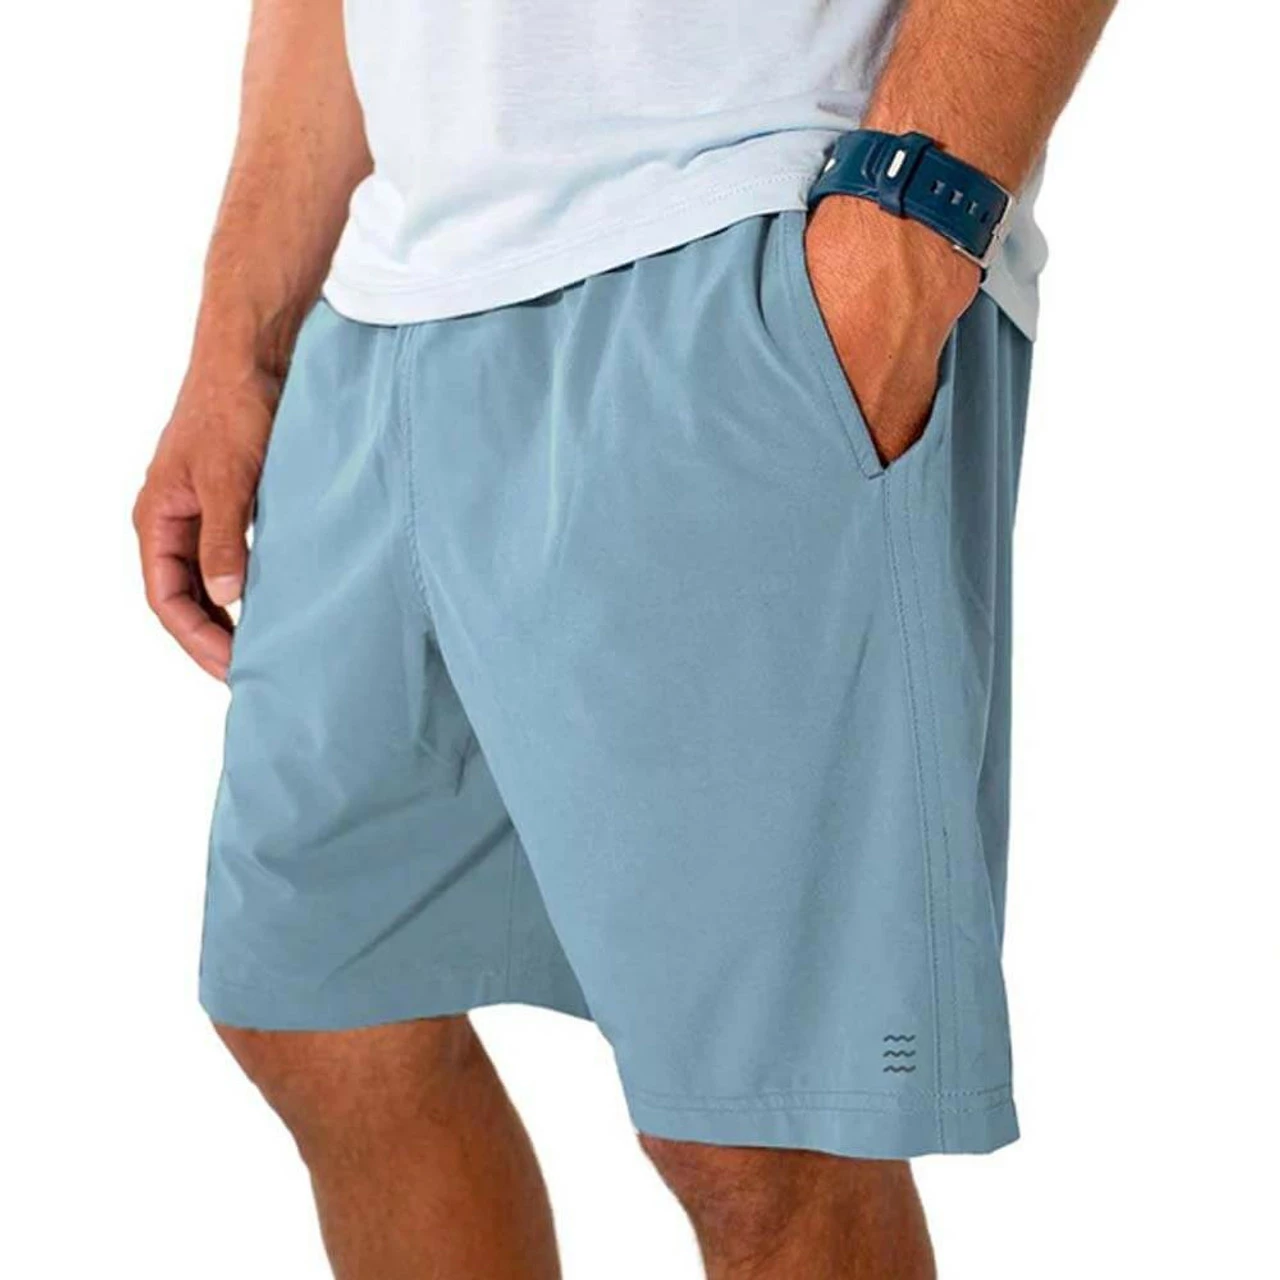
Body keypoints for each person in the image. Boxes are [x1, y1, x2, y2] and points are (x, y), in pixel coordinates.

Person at [134, 1, 1115, 1275]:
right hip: (383, 302)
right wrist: (234, 347)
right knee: (315, 1005)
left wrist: (908, 220)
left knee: (759, 1134)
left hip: (733, 232)